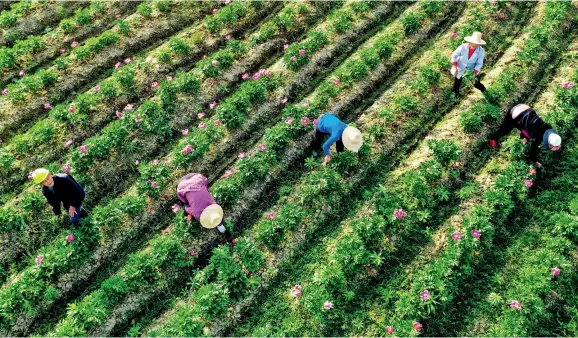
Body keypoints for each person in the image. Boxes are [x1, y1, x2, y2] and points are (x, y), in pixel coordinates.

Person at [488, 104, 561, 167]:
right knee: (506, 129)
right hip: (517, 113)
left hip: (526, 108)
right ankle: (493, 138)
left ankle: (523, 137)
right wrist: (536, 162)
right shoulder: (537, 138)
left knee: (525, 128)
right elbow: (532, 152)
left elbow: (527, 127)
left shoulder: (548, 127)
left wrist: (524, 137)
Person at [450, 31, 487, 96]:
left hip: (472, 69)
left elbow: (479, 63)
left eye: (477, 43)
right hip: (460, 67)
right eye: (473, 42)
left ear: (479, 44)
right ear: (470, 41)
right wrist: (455, 67)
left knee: (476, 83)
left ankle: (485, 92)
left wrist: (474, 73)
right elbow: (454, 56)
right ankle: (456, 94)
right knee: (457, 81)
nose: (475, 45)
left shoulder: (481, 51)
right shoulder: (462, 47)